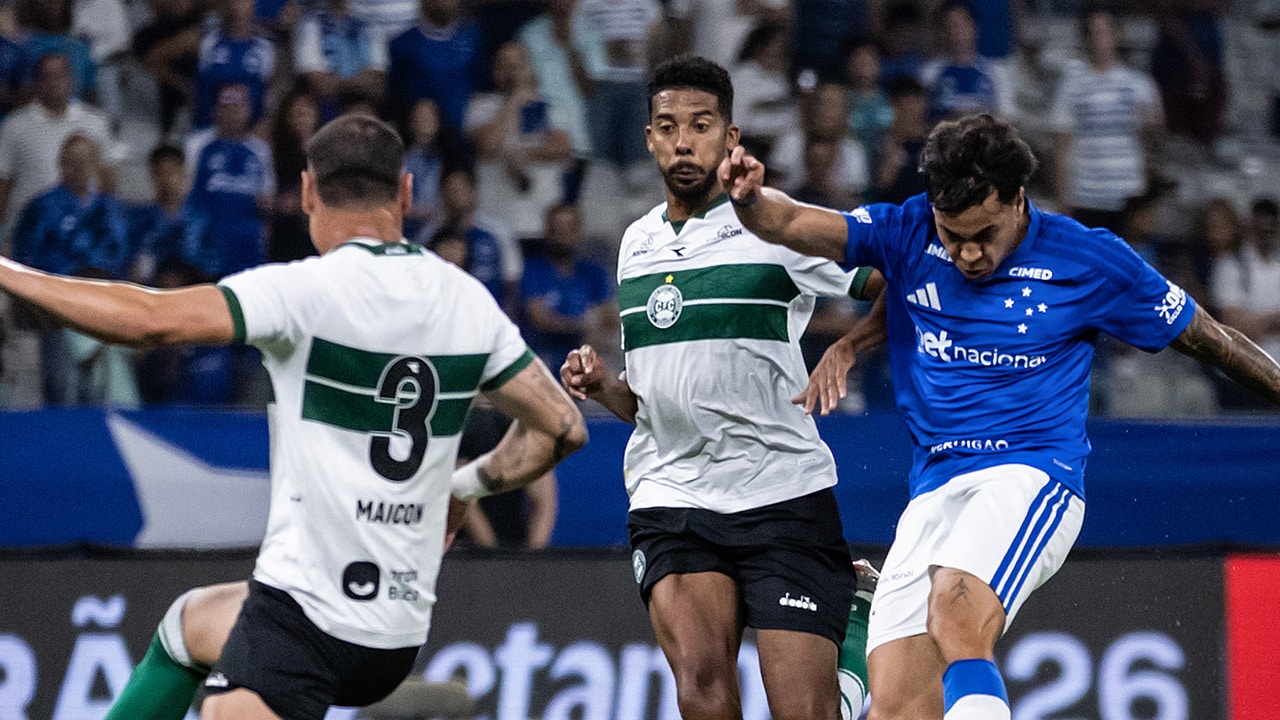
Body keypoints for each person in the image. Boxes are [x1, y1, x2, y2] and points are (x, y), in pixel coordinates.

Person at [0, 113, 588, 720]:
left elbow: (150, 321)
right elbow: (564, 426)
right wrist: (465, 487)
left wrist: (9, 272)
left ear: (307, 191)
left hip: (302, 622)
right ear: (407, 192)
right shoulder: (469, 301)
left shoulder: (302, 292)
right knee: (190, 625)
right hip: (394, 635)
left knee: (222, 700)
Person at [719, 112, 1280, 720]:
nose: (966, 253)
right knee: (898, 705)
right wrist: (750, 200)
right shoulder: (907, 230)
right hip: (934, 488)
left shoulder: (1088, 259)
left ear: (1018, 199)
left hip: (1031, 472)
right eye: (951, 234)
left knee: (956, 610)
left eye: (983, 234)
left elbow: (1211, 339)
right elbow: (793, 222)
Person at [559, 55, 883, 720]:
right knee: (702, 692)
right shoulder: (636, 244)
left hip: (782, 492)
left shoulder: (776, 225)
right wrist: (604, 388)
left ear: (730, 137)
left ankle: (852, 635)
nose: (683, 141)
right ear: (649, 138)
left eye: (701, 125)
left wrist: (850, 345)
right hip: (673, 493)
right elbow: (648, 404)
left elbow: (896, 277)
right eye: (668, 126)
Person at [1050, 6, 1162, 234]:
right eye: (1094, 32)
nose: (1100, 39)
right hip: (1086, 194)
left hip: (1128, 192)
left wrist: (1149, 125)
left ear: (1116, 34)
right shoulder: (1071, 84)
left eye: (1105, 31)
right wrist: (1063, 198)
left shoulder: (1138, 83)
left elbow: (1154, 141)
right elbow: (1062, 144)